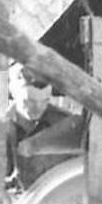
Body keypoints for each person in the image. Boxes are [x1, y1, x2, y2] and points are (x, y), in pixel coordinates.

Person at [5, 64, 74, 192]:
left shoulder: (66, 125)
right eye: (29, 101)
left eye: (45, 101)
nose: (38, 108)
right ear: (13, 93)